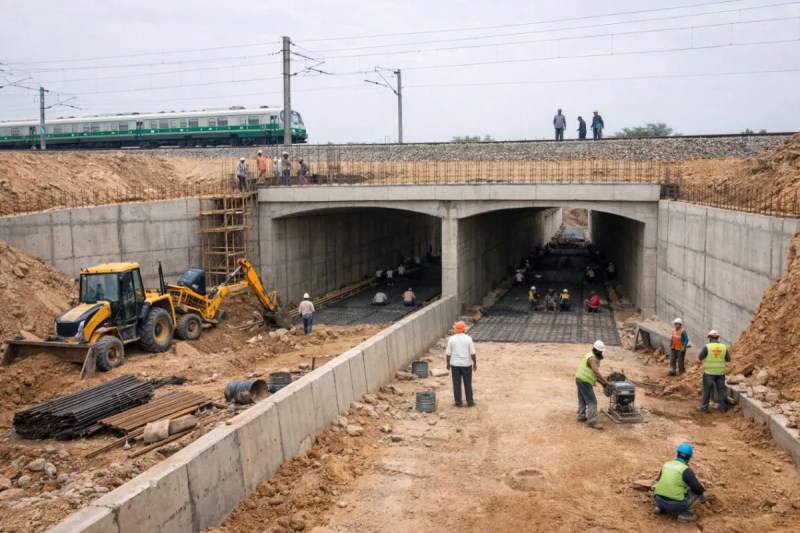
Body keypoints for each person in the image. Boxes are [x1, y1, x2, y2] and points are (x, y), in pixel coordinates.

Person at [653, 443, 707, 522]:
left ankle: (660, 508)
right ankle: (685, 514)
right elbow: (698, 489)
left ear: (677, 454)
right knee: (698, 492)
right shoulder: (686, 470)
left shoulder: (666, 464)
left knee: (662, 485)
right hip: (676, 506)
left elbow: (659, 480)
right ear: (689, 458)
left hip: (658, 500)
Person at [575, 340, 612, 430]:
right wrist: (606, 382)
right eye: (601, 351)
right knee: (592, 401)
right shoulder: (593, 359)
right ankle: (592, 422)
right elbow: (596, 372)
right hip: (585, 381)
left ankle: (581, 416)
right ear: (596, 350)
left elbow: (592, 374)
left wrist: (603, 383)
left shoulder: (591, 354)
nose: (601, 353)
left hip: (579, 378)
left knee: (582, 398)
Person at [697, 330, 731, 413]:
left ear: (710, 338)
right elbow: (728, 359)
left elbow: (700, 357)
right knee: (721, 390)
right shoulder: (724, 347)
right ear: (718, 337)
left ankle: (704, 408)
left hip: (709, 372)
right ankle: (722, 407)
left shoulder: (707, 347)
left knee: (707, 390)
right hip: (720, 372)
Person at [446, 321, 477, 407]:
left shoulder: (451, 339)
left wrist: (448, 363)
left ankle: (458, 402)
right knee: (468, 383)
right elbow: (472, 353)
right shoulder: (468, 339)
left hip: (455, 364)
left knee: (456, 383)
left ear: (455, 330)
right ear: (464, 329)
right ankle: (470, 402)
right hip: (466, 364)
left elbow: (448, 353)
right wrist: (475, 363)